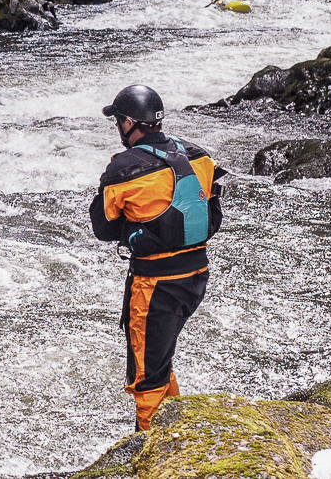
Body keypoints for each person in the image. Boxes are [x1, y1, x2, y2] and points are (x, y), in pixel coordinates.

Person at [91, 85, 229, 431]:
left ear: (128, 124)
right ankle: (177, 431)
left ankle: (154, 452)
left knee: (146, 377)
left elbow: (103, 228)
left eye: (119, 121)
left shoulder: (124, 168)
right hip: (196, 277)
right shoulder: (198, 155)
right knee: (159, 360)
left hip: (156, 287)